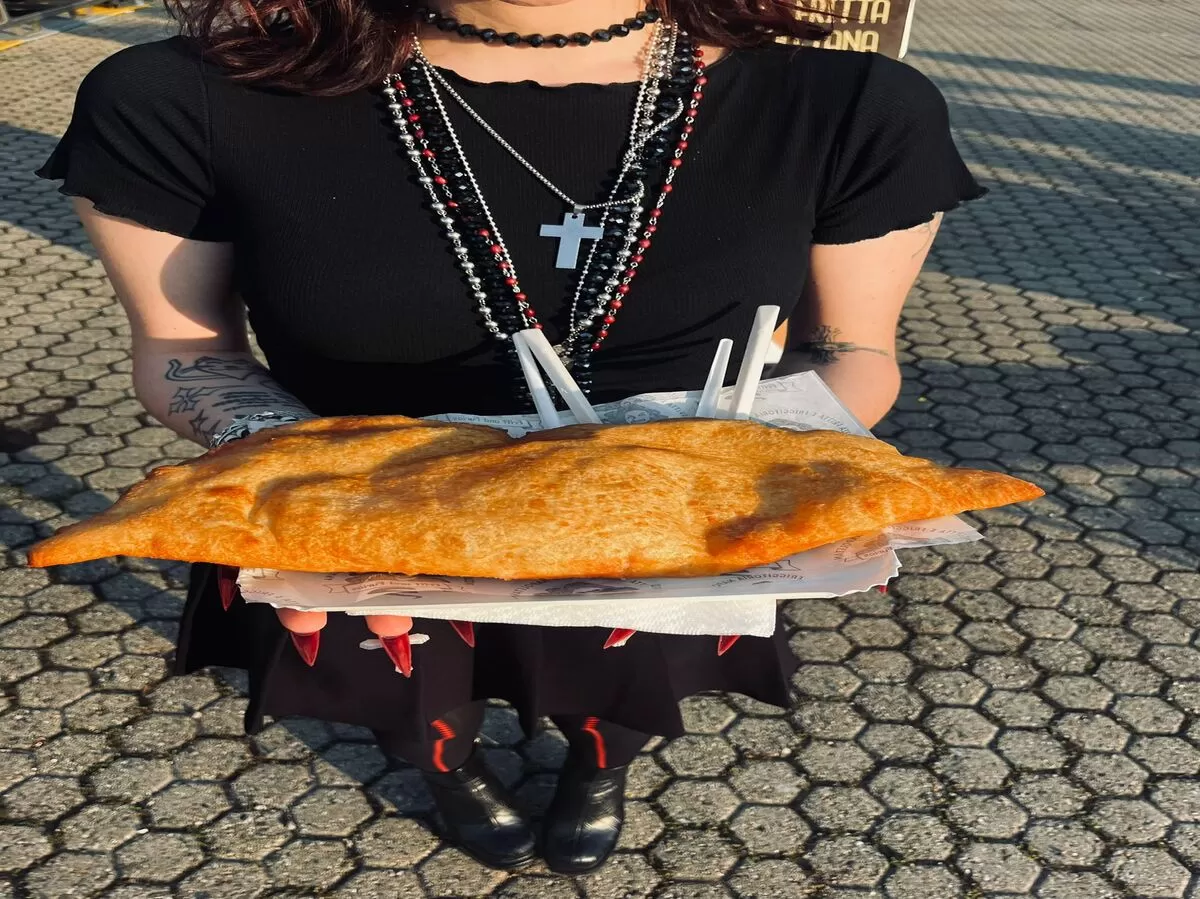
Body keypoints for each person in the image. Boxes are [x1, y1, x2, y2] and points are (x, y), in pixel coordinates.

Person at [38, 0, 985, 873]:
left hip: (668, 541)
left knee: (619, 683)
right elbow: (183, 344)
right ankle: (450, 772)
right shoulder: (180, 96)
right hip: (359, 534)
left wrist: (743, 478)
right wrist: (320, 495)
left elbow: (851, 349)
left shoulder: (854, 105)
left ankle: (599, 768)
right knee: (411, 692)